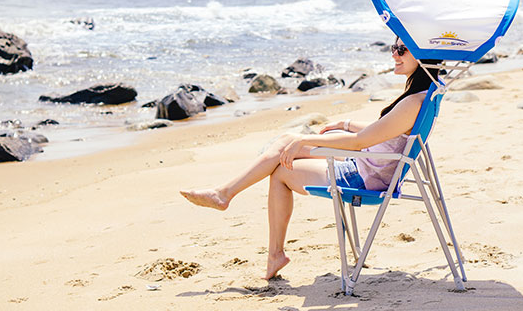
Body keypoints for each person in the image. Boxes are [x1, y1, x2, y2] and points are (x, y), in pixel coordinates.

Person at [180, 37, 440, 280]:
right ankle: (225, 195)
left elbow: (360, 142)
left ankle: (261, 238)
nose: (394, 54)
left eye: (401, 49)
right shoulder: (424, 95)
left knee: (281, 171)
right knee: (284, 143)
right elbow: (385, 132)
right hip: (369, 166)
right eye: (392, 48)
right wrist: (346, 122)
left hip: (363, 178)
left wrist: (307, 140)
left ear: (422, 56)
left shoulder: (412, 103)